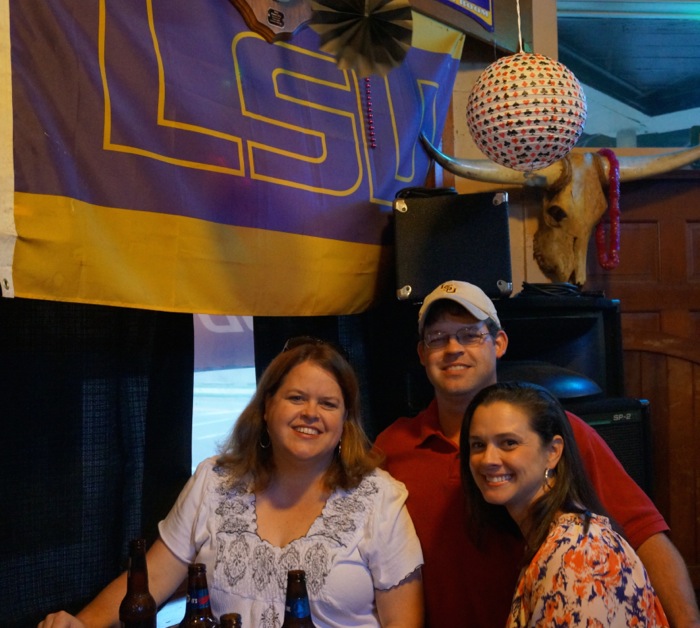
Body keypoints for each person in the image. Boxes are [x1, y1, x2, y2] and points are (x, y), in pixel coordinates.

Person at [374, 279, 700, 628]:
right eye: (438, 338)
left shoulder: (560, 433)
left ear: (498, 343)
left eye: (470, 334)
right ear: (422, 354)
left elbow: (644, 533)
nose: (453, 348)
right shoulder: (392, 448)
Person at [40, 338, 424, 628]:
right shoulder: (214, 481)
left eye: (328, 403)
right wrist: (82, 624)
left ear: (345, 423)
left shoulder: (381, 500)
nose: (311, 413)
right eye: (295, 397)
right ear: (266, 408)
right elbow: (151, 579)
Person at [462, 381, 669, 626]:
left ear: (553, 451)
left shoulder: (579, 552)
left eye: (509, 443)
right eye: (478, 445)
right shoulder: (556, 542)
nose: (488, 459)